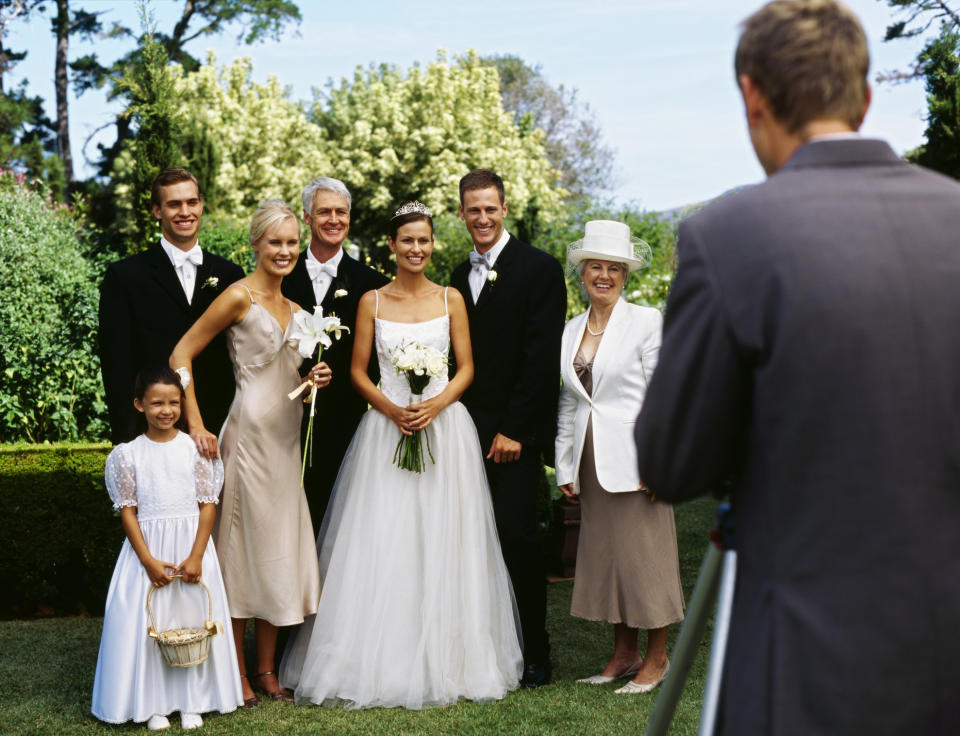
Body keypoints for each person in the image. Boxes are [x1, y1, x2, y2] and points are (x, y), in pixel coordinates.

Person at [634, 1, 960, 734]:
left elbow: (672, 459)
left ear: (752, 95)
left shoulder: (729, 236)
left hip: (808, 660)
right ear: (865, 96)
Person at [280, 201, 522, 709]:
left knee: (444, 535)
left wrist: (434, 403)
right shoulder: (371, 301)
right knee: (383, 537)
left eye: (425, 240)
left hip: (444, 430)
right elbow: (358, 372)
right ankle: (376, 655)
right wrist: (392, 408)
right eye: (407, 240)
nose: (417, 249)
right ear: (391, 245)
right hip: (386, 431)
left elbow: (466, 368)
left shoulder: (452, 297)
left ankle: (452, 656)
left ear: (433, 244)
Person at [170, 201, 330, 707]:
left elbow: (293, 379)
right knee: (240, 553)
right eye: (274, 243)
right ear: (255, 245)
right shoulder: (237, 297)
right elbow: (180, 354)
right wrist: (194, 423)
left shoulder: (303, 314)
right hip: (246, 440)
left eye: (290, 243)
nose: (284, 251)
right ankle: (235, 671)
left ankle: (266, 670)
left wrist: (313, 380)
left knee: (276, 550)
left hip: (285, 443)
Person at [555, 220, 684, 694]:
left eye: (613, 268)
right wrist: (565, 465)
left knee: (647, 560)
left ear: (625, 275)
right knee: (609, 559)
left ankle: (657, 657)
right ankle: (624, 653)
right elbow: (571, 402)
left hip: (638, 459)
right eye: (595, 267)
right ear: (583, 273)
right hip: (591, 460)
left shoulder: (647, 321)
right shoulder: (571, 330)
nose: (603, 275)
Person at [450, 169, 566, 687]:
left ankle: (535, 651)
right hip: (460, 433)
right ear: (461, 213)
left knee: (518, 537)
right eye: (472, 209)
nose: (482, 218)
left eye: (489, 208)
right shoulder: (454, 275)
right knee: (470, 540)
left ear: (504, 208)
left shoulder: (540, 269)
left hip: (513, 435)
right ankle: (481, 646)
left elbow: (542, 359)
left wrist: (516, 429)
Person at [91, 365, 242, 731]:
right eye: (157, 402)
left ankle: (193, 700)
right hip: (148, 552)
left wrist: (196, 555)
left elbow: (208, 505)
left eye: (174, 402)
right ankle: (153, 702)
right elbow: (128, 512)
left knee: (190, 622)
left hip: (191, 546)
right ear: (139, 405)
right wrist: (147, 561)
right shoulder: (127, 455)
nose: (166, 410)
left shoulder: (195, 450)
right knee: (149, 624)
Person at [99, 168, 244, 444]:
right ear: (157, 211)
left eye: (191, 202)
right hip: (152, 429)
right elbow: (116, 366)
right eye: (174, 204)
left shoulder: (230, 275)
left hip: (220, 424)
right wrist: (126, 439)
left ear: (201, 206)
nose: (185, 212)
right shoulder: (124, 276)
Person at [282, 177, 390, 532]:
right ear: (307, 217)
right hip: (282, 418)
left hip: (345, 420)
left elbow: (378, 356)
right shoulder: (282, 274)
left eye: (341, 212)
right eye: (324, 211)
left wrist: (338, 375)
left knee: (338, 520)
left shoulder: (371, 282)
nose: (334, 219)